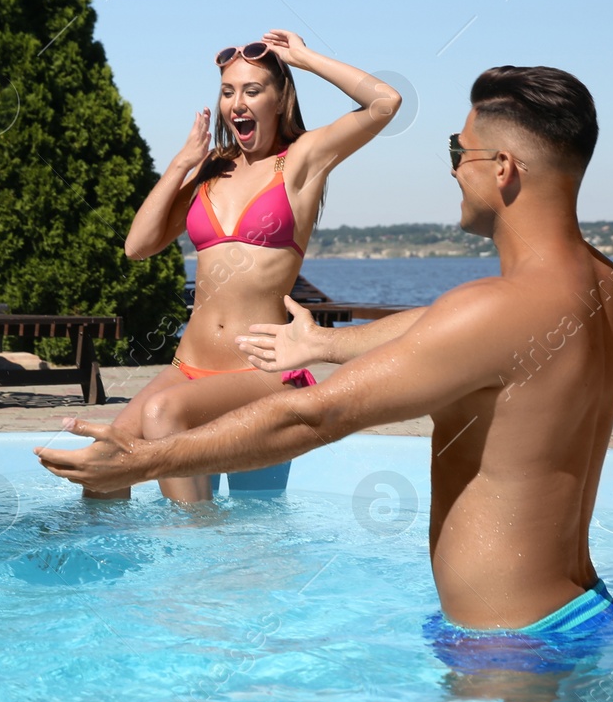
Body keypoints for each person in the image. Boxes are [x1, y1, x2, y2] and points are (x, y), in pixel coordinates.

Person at [39, 66, 613, 646]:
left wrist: (143, 462)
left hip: (510, 648)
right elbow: (435, 324)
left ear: (503, 168)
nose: (454, 170)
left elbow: (315, 416)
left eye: (460, 151)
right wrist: (325, 342)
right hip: (581, 610)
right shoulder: (604, 288)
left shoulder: (492, 310)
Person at [103, 29, 402, 502]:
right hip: (189, 367)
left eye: (252, 90)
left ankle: (191, 560)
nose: (237, 103)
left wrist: (302, 58)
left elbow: (384, 101)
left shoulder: (301, 160)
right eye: (227, 92)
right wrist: (181, 164)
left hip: (260, 373)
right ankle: (113, 573)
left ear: (280, 99)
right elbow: (137, 246)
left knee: (176, 428)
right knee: (105, 464)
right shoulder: (213, 168)